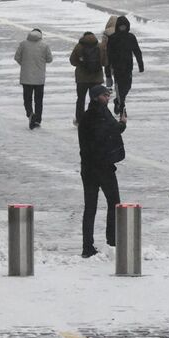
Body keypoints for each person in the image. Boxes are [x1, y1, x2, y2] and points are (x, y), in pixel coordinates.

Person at [77, 83, 128, 258]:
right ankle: (111, 241)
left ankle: (88, 246)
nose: (107, 98)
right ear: (96, 97)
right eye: (105, 95)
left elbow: (109, 130)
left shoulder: (90, 115)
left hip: (89, 168)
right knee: (114, 202)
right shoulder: (97, 115)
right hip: (101, 167)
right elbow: (107, 132)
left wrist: (120, 124)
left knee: (90, 207)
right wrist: (121, 124)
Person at [106, 15, 144, 118]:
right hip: (117, 68)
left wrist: (141, 64)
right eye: (121, 26)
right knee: (119, 89)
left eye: (124, 26)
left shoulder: (131, 37)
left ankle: (118, 101)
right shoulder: (113, 38)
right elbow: (108, 55)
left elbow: (137, 51)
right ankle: (122, 108)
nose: (122, 28)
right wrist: (108, 71)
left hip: (128, 67)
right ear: (118, 27)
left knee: (127, 87)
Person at [14, 27, 53, 128]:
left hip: (26, 77)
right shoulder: (44, 45)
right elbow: (49, 59)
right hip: (39, 78)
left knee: (27, 98)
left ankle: (30, 113)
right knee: (38, 100)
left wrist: (24, 64)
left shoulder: (23, 44)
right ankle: (37, 120)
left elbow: (17, 57)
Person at [71, 30, 107, 123]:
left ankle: (80, 119)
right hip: (96, 78)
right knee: (96, 99)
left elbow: (72, 61)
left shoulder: (79, 46)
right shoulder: (100, 46)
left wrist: (81, 63)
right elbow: (105, 62)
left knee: (81, 99)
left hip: (82, 79)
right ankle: (95, 118)